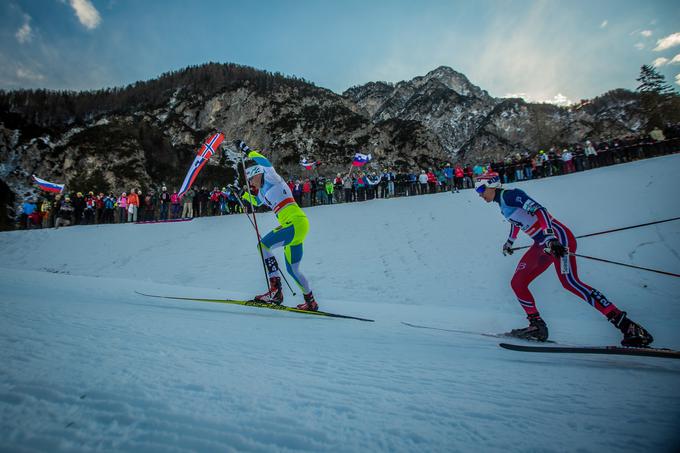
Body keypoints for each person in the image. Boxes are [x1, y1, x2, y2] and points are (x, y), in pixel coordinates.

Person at [474, 172, 653, 347]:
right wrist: (510, 241)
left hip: (559, 239)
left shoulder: (512, 195)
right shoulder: (502, 203)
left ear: (492, 184)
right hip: (542, 245)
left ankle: (628, 326)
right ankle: (537, 326)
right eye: (477, 191)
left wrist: (551, 237)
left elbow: (540, 211)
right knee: (518, 283)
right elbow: (516, 221)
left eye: (481, 188)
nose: (480, 194)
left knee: (570, 283)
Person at [235, 140, 318, 311]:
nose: (250, 183)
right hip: (298, 226)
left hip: (294, 222)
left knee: (263, 245)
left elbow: (265, 162)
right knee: (292, 269)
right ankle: (311, 302)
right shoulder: (263, 192)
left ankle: (275, 290)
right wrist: (241, 193)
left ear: (257, 174)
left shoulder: (272, 178)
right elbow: (256, 202)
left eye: (251, 179)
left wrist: (247, 150)